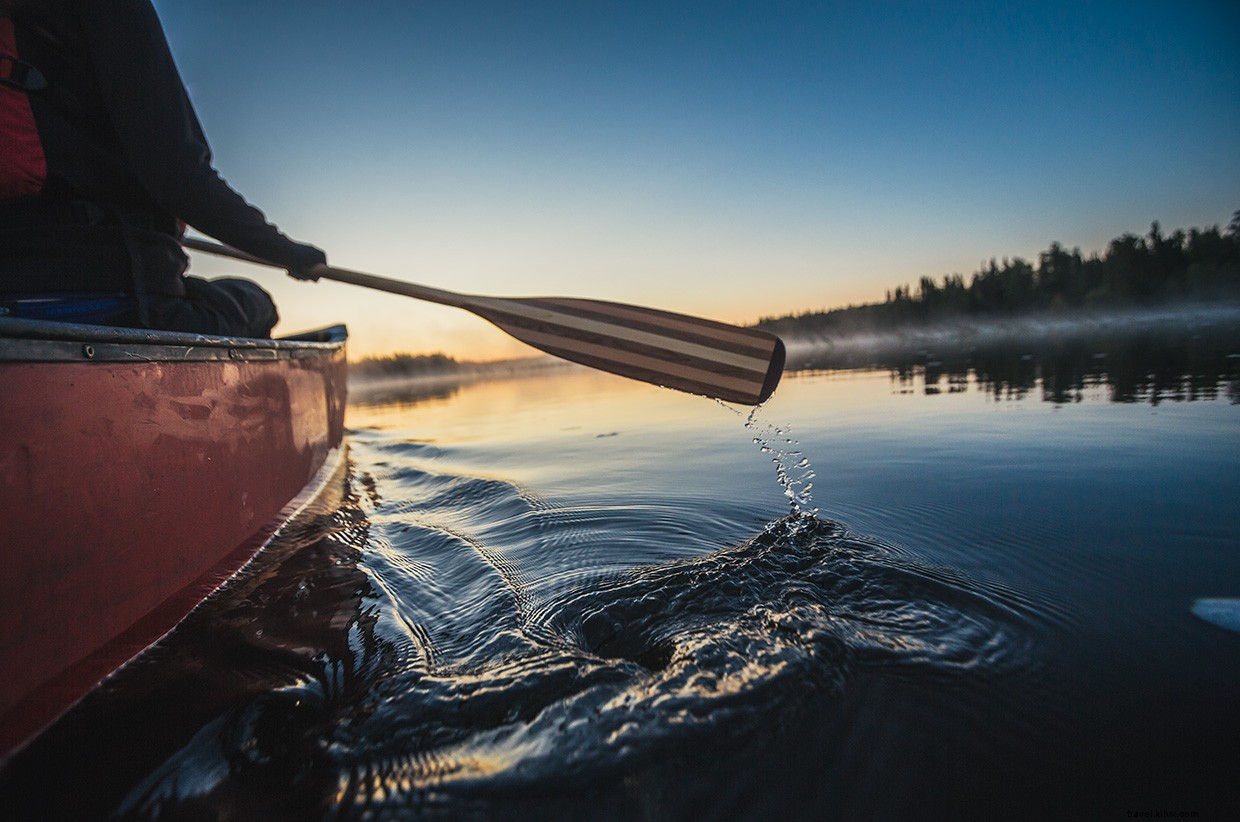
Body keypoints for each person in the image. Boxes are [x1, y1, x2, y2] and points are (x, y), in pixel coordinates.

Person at [0, 0, 325, 337]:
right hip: (124, 295)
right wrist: (289, 252)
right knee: (258, 303)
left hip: (10, 293)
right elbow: (180, 179)